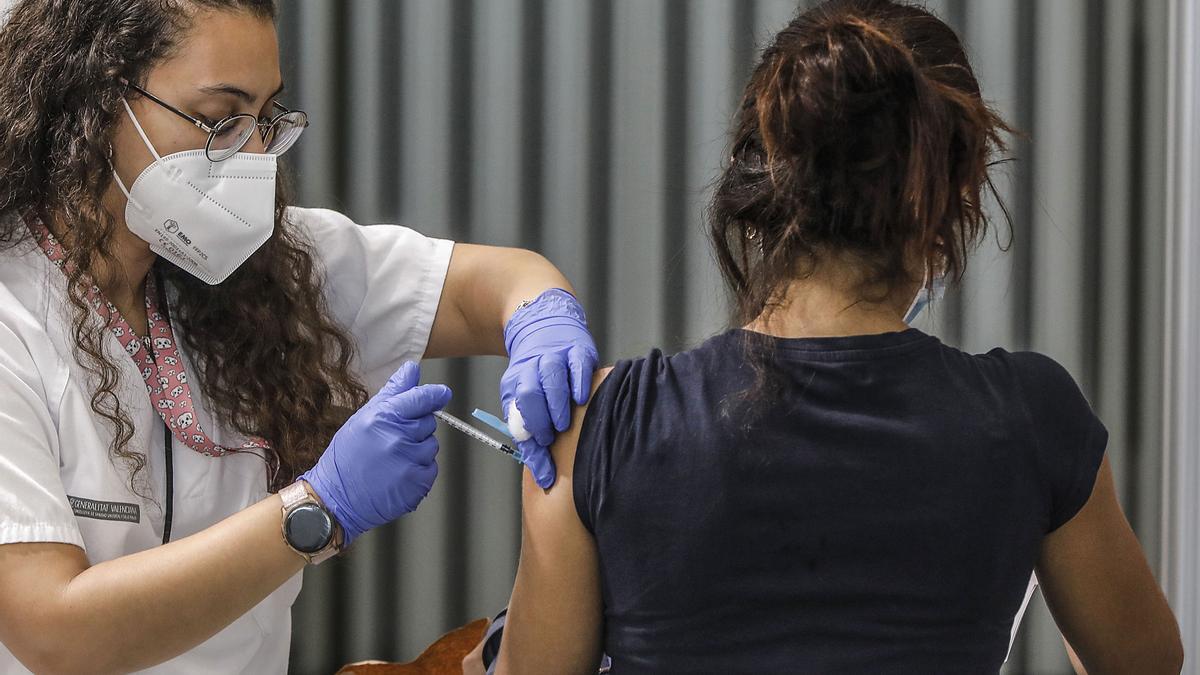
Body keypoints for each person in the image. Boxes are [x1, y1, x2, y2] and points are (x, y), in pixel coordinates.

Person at [479, 1, 1184, 672]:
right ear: (947, 200)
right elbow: (1144, 660)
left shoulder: (600, 422)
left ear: (756, 182)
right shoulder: (1033, 415)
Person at [0, 1, 598, 673]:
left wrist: (541, 319)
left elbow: (494, 282)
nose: (255, 155)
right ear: (98, 100)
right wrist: (316, 510)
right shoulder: (12, 318)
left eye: (266, 121)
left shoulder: (262, 274)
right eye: (220, 119)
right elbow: (53, 631)